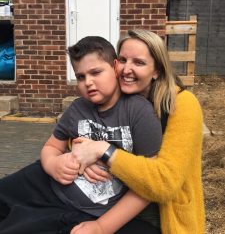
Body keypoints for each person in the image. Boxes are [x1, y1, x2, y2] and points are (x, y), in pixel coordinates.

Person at [0, 36, 162, 234]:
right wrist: (53, 164)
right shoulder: (78, 108)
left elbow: (148, 184)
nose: (88, 83)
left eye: (96, 72)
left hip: (93, 211)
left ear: (115, 67)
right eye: (80, 77)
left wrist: (102, 226)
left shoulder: (139, 112)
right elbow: (51, 147)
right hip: (50, 187)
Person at [70, 29, 205, 234]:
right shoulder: (118, 99)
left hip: (161, 216)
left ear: (157, 70)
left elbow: (165, 181)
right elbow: (86, 127)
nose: (126, 70)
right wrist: (81, 151)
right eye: (123, 60)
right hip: (116, 206)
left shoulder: (183, 105)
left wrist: (103, 152)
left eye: (139, 63)